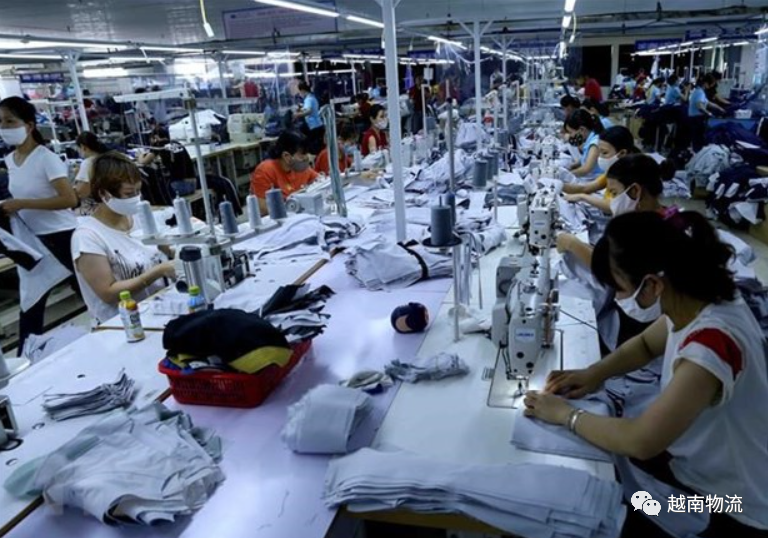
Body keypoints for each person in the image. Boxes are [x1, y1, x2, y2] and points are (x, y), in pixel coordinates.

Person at [525, 211, 768, 538]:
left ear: (653, 284)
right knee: (610, 474)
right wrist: (594, 373)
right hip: (700, 467)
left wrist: (566, 415)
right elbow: (644, 345)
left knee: (621, 505)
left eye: (621, 289)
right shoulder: (696, 300)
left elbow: (641, 441)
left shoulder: (709, 347)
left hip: (732, 505)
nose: (618, 298)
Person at [0, 96, 79, 353]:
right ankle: (27, 356)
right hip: (33, 239)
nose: (4, 127)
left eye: (10, 121)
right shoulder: (10, 160)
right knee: (31, 300)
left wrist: (22, 203)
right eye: (0, 122)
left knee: (89, 291)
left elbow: (70, 199)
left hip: (63, 237)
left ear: (29, 125)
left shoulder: (46, 158)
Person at [71, 152, 175, 325]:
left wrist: (177, 252)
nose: (136, 198)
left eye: (138, 191)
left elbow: (165, 248)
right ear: (104, 194)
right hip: (122, 324)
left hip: (159, 309)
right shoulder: (87, 237)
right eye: (128, 193)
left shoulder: (139, 217)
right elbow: (108, 293)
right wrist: (159, 271)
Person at [557, 154, 670, 268]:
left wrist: (572, 244)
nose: (612, 200)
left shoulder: (657, 232)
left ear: (635, 191)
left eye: (614, 193)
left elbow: (617, 270)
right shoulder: (646, 218)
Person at [562, 126, 639, 212]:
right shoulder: (613, 170)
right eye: (599, 152)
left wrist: (582, 197)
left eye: (604, 153)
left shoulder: (632, 175)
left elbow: (614, 206)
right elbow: (585, 188)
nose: (600, 157)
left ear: (622, 153)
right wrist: (560, 185)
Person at [250, 130, 318, 215]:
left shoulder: (302, 169)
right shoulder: (265, 171)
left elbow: (320, 182)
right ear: (286, 156)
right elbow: (262, 208)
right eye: (302, 154)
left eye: (307, 153)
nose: (306, 158)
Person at [689, 74, 725, 152]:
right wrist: (709, 113)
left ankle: (697, 153)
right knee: (698, 140)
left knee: (697, 140)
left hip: (695, 119)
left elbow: (707, 103)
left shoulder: (699, 91)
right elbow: (699, 105)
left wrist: (719, 108)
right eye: (711, 84)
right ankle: (698, 154)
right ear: (706, 83)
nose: (712, 86)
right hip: (696, 119)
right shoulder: (700, 92)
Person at [73, 131, 109, 211]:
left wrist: (77, 177)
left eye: (78, 148)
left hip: (96, 208)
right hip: (111, 203)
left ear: (83, 147)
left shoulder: (88, 163)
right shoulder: (107, 158)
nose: (77, 151)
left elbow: (82, 192)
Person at [565, 109, 603, 178]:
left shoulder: (594, 144)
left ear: (582, 129)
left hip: (594, 179)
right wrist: (573, 166)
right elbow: (586, 159)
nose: (571, 136)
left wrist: (566, 175)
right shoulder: (590, 139)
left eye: (571, 132)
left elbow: (586, 169)